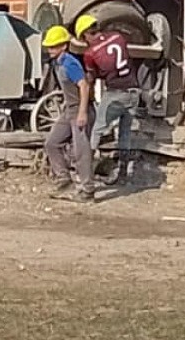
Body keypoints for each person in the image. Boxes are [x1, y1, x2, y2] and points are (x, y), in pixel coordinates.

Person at [76, 14, 141, 188]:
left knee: (97, 129)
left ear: (85, 35)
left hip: (115, 93)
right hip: (134, 90)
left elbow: (91, 77)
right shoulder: (117, 36)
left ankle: (86, 173)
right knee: (125, 132)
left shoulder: (90, 53)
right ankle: (123, 173)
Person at [40, 25, 95, 201]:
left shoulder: (70, 62)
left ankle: (87, 190)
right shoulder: (57, 63)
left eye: (54, 46)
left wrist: (82, 113)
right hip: (69, 109)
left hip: (80, 108)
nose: (50, 50)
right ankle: (64, 179)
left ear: (64, 46)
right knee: (52, 143)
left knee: (81, 151)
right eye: (49, 46)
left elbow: (84, 85)